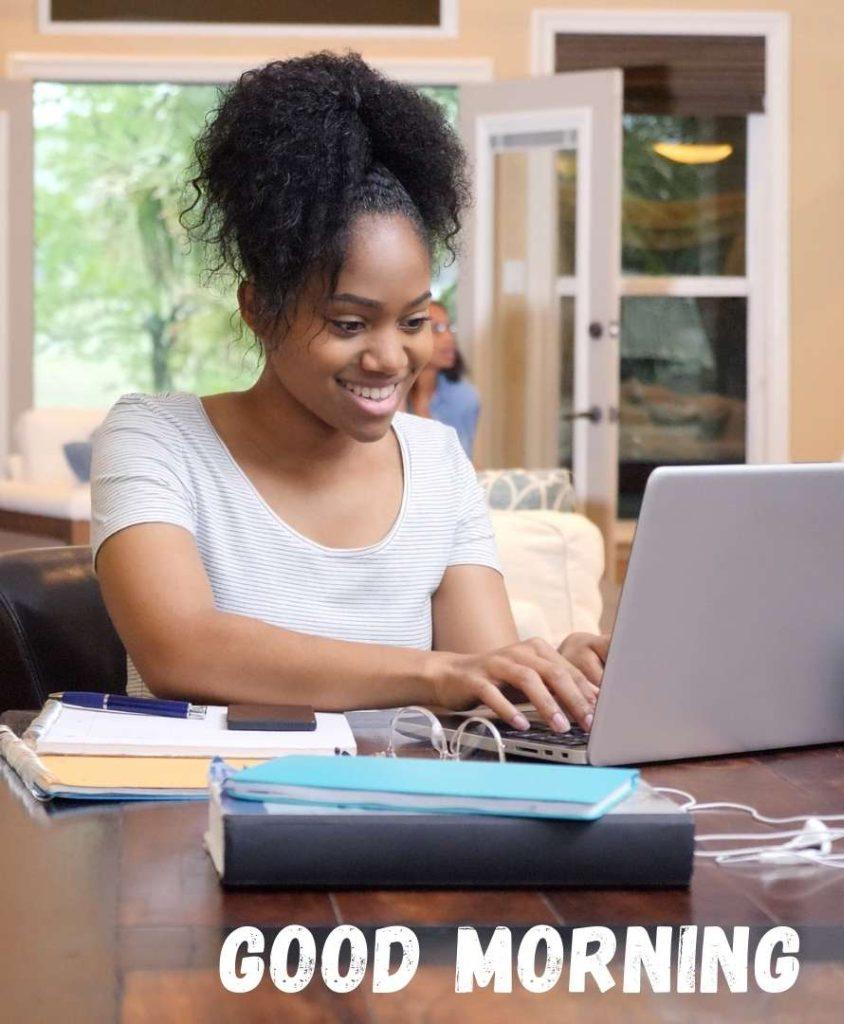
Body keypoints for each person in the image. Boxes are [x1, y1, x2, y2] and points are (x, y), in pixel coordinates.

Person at [90, 52, 609, 735]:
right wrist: (434, 673)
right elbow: (180, 649)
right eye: (349, 323)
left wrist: (547, 676)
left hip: (396, 822)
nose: (392, 357)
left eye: (415, 320)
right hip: (200, 821)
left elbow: (479, 674)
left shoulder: (434, 458)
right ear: (259, 309)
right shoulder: (155, 438)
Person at [407, 300, 480, 459]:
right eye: (437, 329)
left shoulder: (464, 398)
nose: (449, 338)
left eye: (449, 328)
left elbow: (461, 462)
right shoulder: (385, 393)